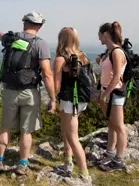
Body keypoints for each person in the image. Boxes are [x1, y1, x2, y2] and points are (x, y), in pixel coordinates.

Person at [0, 11, 56, 175]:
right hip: (29, 92)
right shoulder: (41, 44)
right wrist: (52, 98)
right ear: (40, 26)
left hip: (10, 90)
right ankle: (22, 164)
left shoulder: (12, 38)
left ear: (24, 23)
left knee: (5, 128)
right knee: (26, 130)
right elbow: (46, 72)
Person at [53, 27, 94, 183]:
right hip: (81, 100)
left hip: (69, 100)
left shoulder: (60, 59)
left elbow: (57, 87)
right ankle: (68, 162)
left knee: (72, 137)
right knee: (66, 130)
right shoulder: (82, 56)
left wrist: (51, 96)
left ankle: (84, 174)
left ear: (61, 39)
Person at [95, 22, 128, 172]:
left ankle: (119, 159)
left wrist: (104, 95)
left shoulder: (116, 52)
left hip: (114, 93)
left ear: (105, 34)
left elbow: (116, 78)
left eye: (100, 34)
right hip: (108, 92)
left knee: (119, 126)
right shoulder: (109, 52)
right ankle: (110, 153)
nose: (99, 37)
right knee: (111, 124)